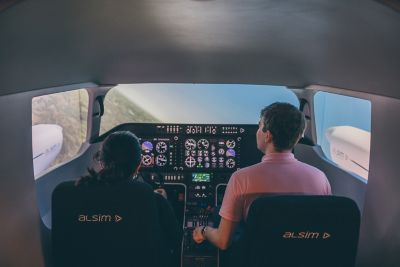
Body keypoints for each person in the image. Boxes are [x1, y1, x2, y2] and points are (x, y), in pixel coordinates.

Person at [192, 102, 331, 250]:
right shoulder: (320, 178)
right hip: (301, 256)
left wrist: (204, 231)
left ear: (268, 135)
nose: (257, 131)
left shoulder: (241, 179)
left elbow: (223, 242)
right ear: (297, 138)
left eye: (259, 126)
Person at [76, 131, 181, 265]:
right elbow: (177, 241)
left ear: (101, 161)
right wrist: (163, 202)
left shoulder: (74, 193)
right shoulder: (153, 201)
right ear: (138, 167)